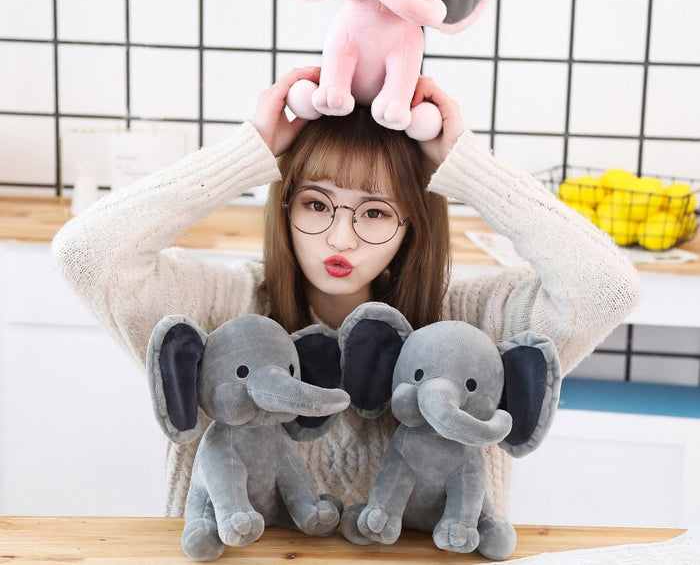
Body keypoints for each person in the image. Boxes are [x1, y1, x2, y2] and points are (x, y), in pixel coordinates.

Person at [52, 66, 641, 519]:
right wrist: (250, 151)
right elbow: (87, 255)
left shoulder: (469, 321)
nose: (340, 238)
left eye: (376, 212)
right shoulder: (224, 307)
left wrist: (467, 166)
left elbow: (607, 289)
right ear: (285, 207)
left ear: (412, 226)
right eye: (315, 203)